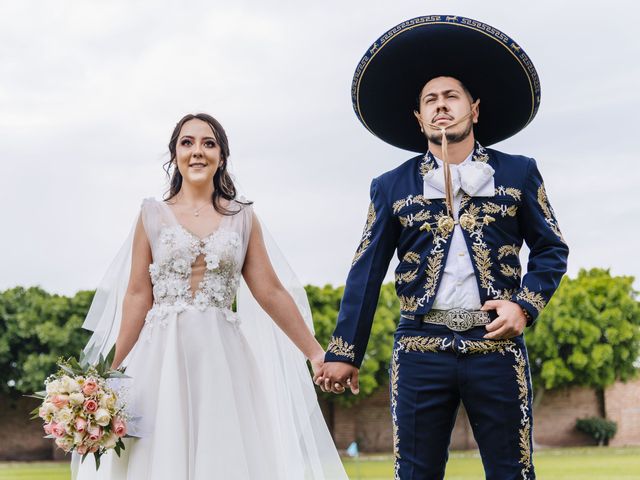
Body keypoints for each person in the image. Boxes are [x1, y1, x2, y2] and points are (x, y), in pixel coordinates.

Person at [315, 15, 569, 480]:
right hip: (419, 348)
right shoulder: (390, 186)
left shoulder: (519, 172)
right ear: (418, 118)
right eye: (430, 100)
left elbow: (552, 249)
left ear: (474, 108)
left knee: (514, 472)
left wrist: (525, 308)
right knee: (413, 473)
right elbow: (366, 270)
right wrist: (344, 350)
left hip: (496, 344)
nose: (441, 106)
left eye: (451, 96)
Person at [73, 113, 348, 479]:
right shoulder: (151, 215)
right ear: (175, 155)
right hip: (160, 358)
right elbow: (138, 295)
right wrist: (113, 373)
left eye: (208, 143)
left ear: (222, 156)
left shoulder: (243, 218)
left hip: (223, 358)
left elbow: (269, 290)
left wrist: (314, 352)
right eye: (187, 142)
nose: (197, 151)